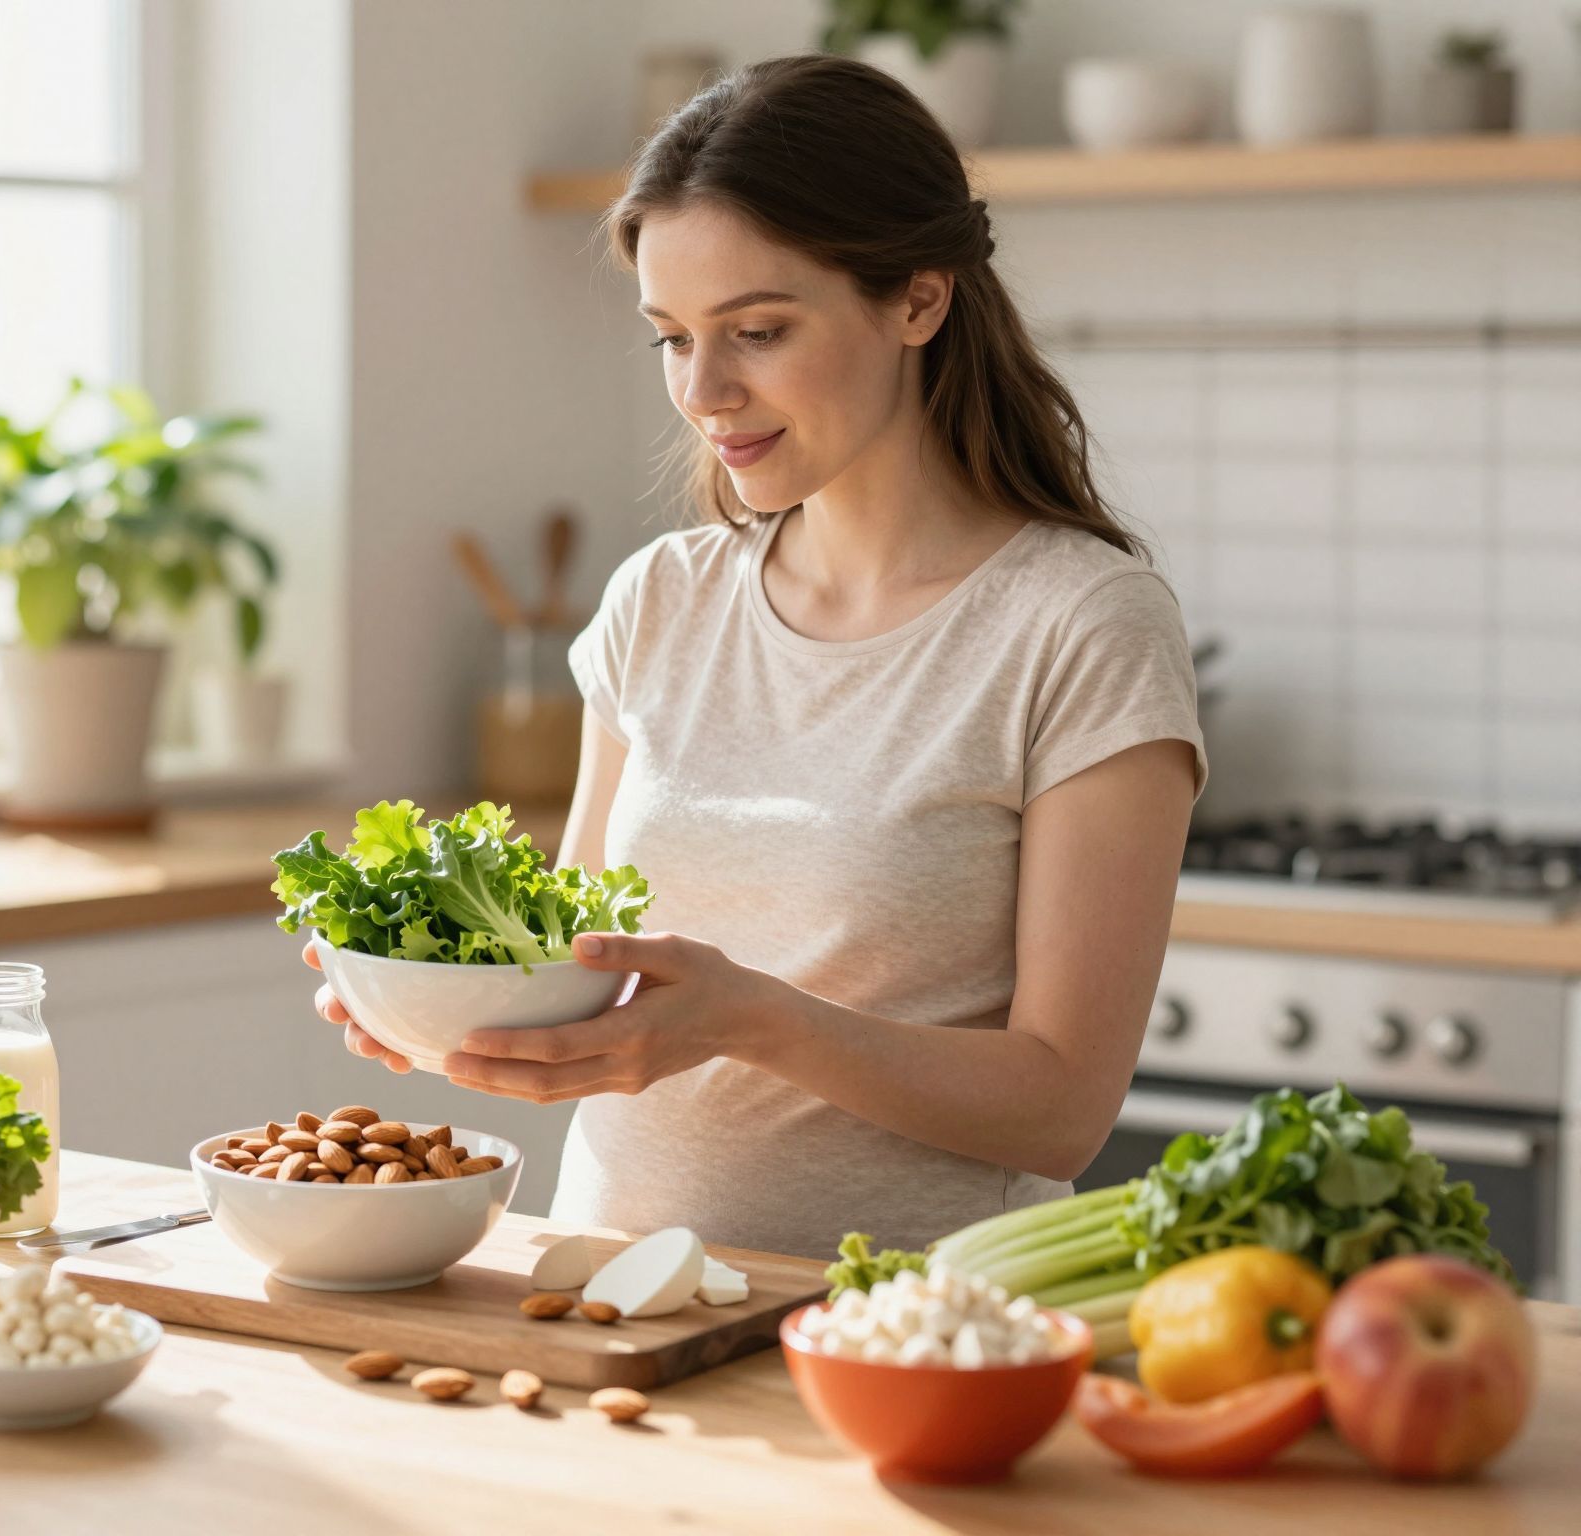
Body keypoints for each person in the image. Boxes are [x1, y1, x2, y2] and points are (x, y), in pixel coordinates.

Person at [306, 54, 1206, 1261]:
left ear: (917, 301)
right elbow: (587, 976)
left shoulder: (1078, 626)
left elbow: (1059, 1110)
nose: (703, 391)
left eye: (758, 331)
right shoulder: (658, 602)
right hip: (608, 1298)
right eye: (670, 338)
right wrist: (445, 1012)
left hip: (897, 1334)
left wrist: (754, 1020)